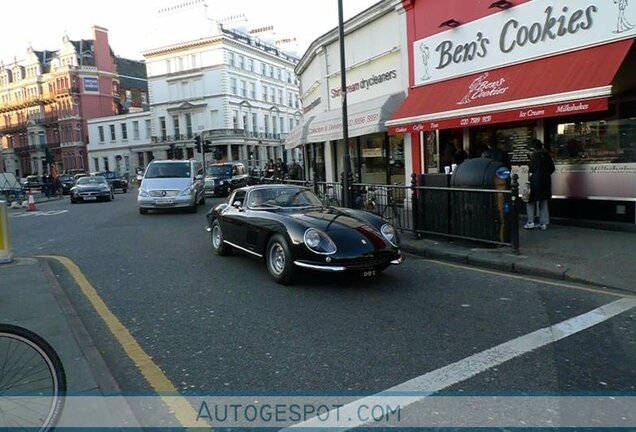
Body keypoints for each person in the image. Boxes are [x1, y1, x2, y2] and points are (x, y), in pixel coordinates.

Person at [524, 139, 555, 230]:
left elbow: (531, 169)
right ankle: (544, 223)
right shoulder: (547, 155)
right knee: (543, 202)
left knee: (530, 202)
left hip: (535, 182)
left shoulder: (534, 156)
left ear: (534, 147)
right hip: (545, 182)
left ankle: (530, 222)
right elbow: (552, 168)